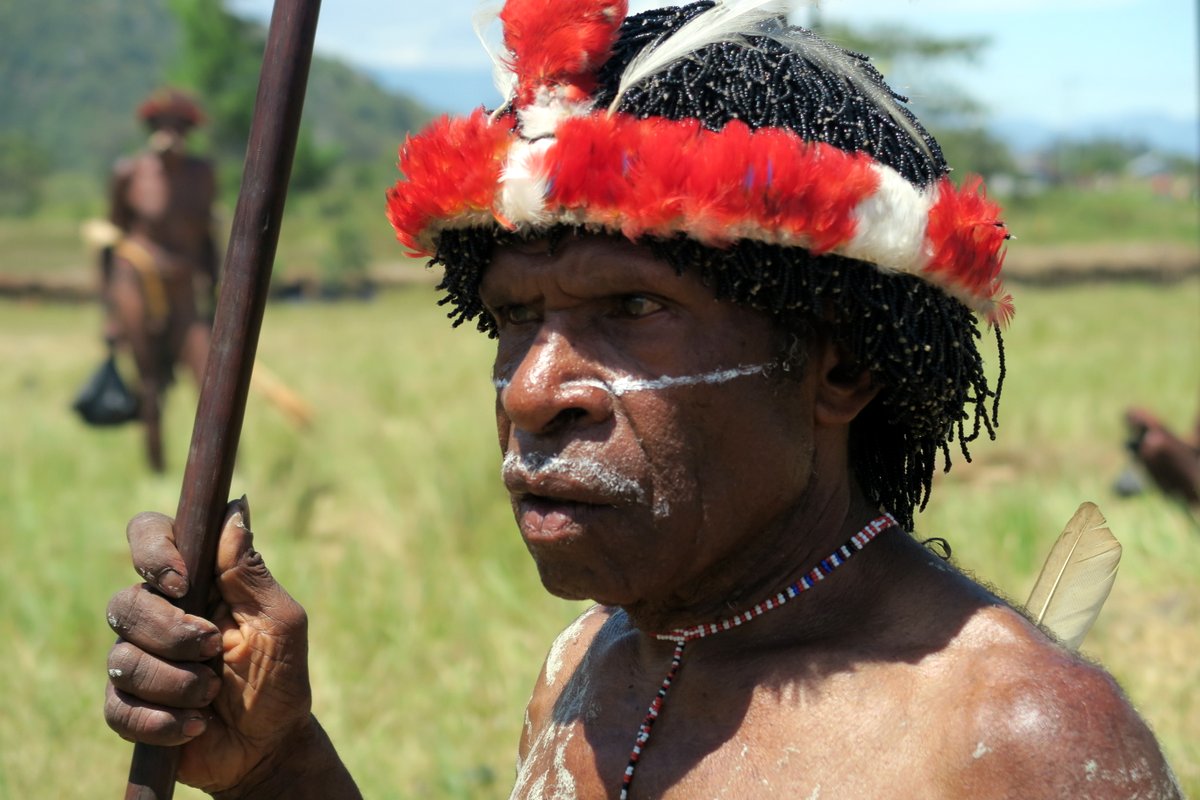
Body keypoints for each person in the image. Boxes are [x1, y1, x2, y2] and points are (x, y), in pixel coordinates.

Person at [103, 1, 1182, 797]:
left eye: (631, 306)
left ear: (839, 369)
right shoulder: (593, 660)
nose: (534, 392)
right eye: (516, 315)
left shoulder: (1010, 741)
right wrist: (278, 765)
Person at [103, 87, 219, 472]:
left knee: (210, 379)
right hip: (136, 282)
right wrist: (111, 314)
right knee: (150, 382)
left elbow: (208, 236)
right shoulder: (129, 173)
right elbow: (113, 238)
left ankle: (221, 469)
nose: (170, 132)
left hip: (183, 288)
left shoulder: (202, 174)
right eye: (162, 124)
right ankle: (156, 468)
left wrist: (219, 293)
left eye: (179, 125)